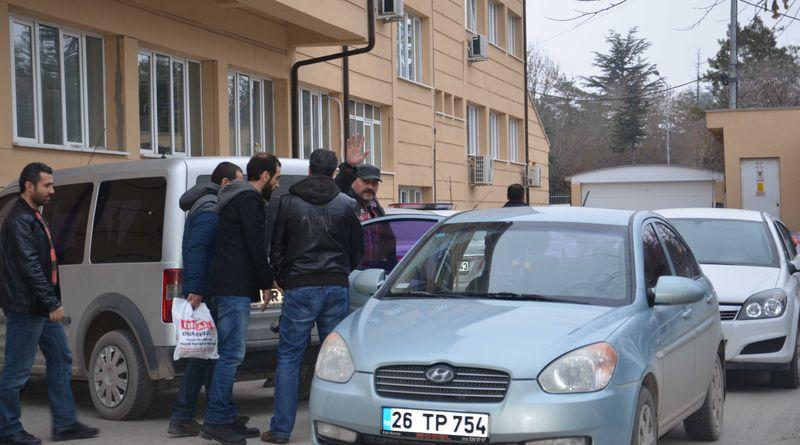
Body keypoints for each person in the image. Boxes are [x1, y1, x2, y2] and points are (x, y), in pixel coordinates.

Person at [263, 149, 364, 444]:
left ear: (309, 170)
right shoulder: (346, 204)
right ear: (333, 172)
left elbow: (277, 247)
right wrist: (342, 272)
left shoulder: (289, 201)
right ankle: (338, 427)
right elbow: (357, 249)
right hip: (335, 284)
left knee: (289, 357)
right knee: (336, 359)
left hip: (299, 285)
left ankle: (281, 429)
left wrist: (284, 278)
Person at [0, 163, 99, 445]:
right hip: (27, 307)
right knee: (17, 371)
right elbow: (29, 267)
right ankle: (7, 430)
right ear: (29, 186)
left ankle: (65, 425)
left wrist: (49, 303)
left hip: (40, 306)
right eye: (47, 185)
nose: (52, 190)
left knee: (61, 359)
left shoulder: (34, 216)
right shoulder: (19, 220)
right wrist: (52, 303)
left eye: (52, 185)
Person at [202, 154, 281, 445]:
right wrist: (268, 281)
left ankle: (225, 416)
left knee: (227, 354)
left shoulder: (234, 198)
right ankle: (216, 421)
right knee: (231, 355)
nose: (277, 184)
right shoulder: (249, 200)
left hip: (226, 285)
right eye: (276, 178)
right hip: (233, 288)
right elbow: (254, 245)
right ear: (264, 176)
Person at [168, 162, 243, 438]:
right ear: (224, 183)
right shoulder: (211, 207)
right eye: (237, 182)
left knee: (206, 355)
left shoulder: (205, 203)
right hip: (206, 292)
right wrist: (197, 288)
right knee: (203, 355)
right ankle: (186, 416)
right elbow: (198, 248)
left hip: (208, 289)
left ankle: (214, 413)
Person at [335, 134, 384, 221]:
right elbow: (340, 184)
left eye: (374, 183)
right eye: (366, 182)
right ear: (353, 180)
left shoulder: (375, 206)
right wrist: (349, 166)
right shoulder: (345, 199)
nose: (370, 187)